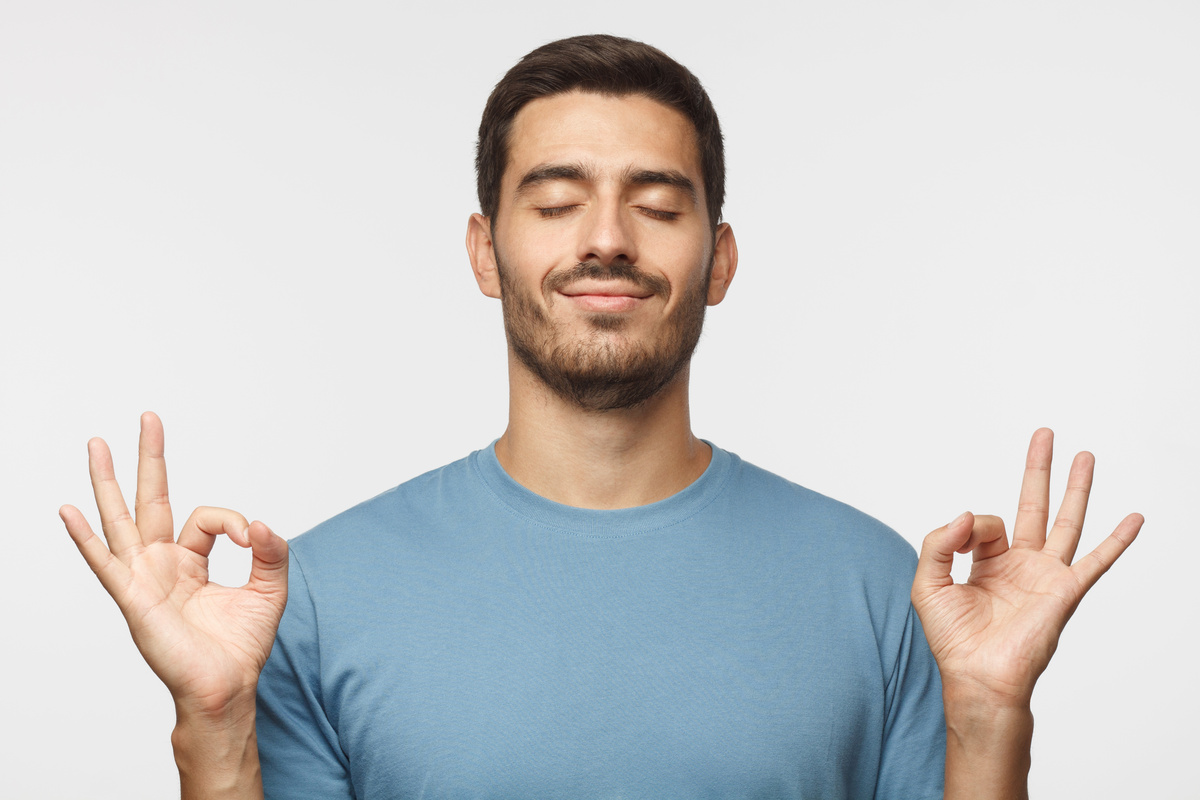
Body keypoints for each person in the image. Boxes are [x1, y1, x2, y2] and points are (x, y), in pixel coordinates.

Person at [59, 34, 1143, 799]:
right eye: (558, 200)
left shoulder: (880, 586)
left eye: (659, 204)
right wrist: (209, 720)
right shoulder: (311, 595)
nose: (610, 238)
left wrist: (993, 710)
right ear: (486, 251)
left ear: (717, 260)